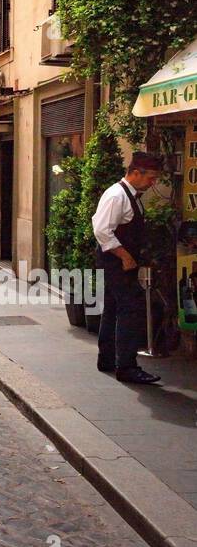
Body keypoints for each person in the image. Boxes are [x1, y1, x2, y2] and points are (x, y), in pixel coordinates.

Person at [92, 151, 164, 386]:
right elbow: (102, 230)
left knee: (113, 309)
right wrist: (124, 256)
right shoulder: (116, 195)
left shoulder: (130, 195)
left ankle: (107, 359)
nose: (153, 183)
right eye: (150, 177)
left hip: (120, 262)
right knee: (130, 310)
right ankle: (127, 367)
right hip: (117, 262)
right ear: (135, 173)